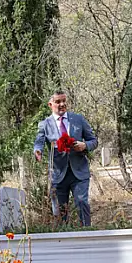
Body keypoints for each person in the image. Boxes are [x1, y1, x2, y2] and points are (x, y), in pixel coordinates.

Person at [33, 90, 98, 226]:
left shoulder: (78, 119)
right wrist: (38, 151)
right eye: (58, 102)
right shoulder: (44, 124)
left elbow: (93, 141)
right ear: (50, 104)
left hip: (79, 172)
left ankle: (87, 234)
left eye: (64, 101)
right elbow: (39, 141)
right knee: (59, 212)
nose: (62, 104)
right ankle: (63, 239)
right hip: (57, 175)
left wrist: (84, 145)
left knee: (81, 203)